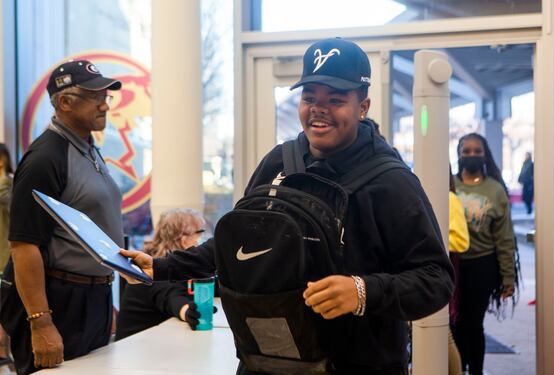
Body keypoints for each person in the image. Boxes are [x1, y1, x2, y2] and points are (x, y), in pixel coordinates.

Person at [121, 37, 454, 375]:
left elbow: (436, 279)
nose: (318, 109)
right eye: (309, 98)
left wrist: (362, 291)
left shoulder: (391, 181)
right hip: (267, 359)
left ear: (363, 107)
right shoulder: (279, 161)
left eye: (336, 100)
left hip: (356, 363)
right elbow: (237, 243)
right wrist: (162, 268)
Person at [0, 60, 123, 374]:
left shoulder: (87, 148)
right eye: (96, 96)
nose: (104, 104)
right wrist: (41, 324)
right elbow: (23, 247)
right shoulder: (46, 158)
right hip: (59, 302)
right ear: (66, 102)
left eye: (106, 96)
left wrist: (103, 296)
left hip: (92, 297)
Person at [451, 133, 517, 375]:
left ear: (484, 153)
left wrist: (507, 278)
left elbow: (504, 238)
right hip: (452, 265)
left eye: (476, 151)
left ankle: (475, 371)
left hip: (482, 266)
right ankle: (458, 369)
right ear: (458, 154)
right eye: (465, 151)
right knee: (454, 325)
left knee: (473, 325)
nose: (471, 155)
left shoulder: (495, 190)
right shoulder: (449, 185)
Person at [115, 208, 206, 340]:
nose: (200, 241)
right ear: (183, 238)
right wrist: (188, 312)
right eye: (200, 233)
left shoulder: (158, 262)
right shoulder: (157, 270)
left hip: (152, 346)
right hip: (134, 352)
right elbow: (171, 298)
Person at [448, 167, 469, 375]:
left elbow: (461, 241)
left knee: (444, 335)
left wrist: (428, 241)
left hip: (439, 273)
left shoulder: (450, 199)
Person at [0, 143, 13, 367]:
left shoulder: (10, 182)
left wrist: (2, 178)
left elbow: (12, 205)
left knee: (6, 306)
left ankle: (5, 350)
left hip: (6, 255)